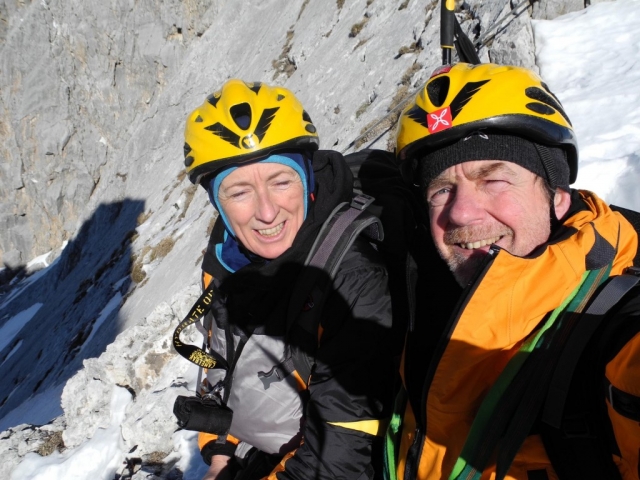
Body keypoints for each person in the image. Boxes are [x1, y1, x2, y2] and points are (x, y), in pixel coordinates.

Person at [387, 63, 640, 479]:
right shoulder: (422, 299)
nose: (460, 213)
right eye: (442, 190)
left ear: (558, 197)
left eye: (494, 181)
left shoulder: (614, 330)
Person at [181, 79, 394, 479]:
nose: (266, 213)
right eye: (239, 192)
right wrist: (220, 453)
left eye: (281, 181)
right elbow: (224, 355)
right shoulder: (228, 255)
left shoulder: (352, 278)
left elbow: (341, 449)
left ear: (307, 179)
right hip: (273, 453)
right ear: (218, 203)